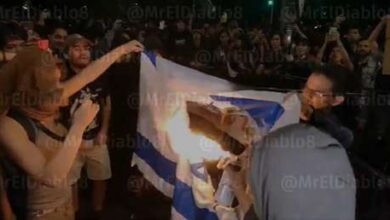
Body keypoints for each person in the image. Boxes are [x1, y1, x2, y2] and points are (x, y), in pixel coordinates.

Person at [0, 39, 143, 220]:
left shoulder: (45, 96)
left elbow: (86, 76)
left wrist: (122, 50)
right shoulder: (9, 125)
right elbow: (51, 177)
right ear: (31, 86)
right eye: (52, 84)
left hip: (65, 206)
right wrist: (79, 125)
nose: (61, 90)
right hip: (42, 214)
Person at [227, 66, 356, 220]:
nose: (306, 97)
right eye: (306, 89)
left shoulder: (328, 142)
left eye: (316, 94)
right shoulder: (293, 116)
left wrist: (238, 186)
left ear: (337, 100)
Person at [61, 34, 113, 219]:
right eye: (77, 48)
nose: (83, 52)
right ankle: (73, 212)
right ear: (66, 54)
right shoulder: (60, 75)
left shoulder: (99, 74)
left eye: (87, 48)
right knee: (70, 180)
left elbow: (106, 103)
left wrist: (104, 130)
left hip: (95, 139)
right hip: (68, 141)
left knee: (101, 177)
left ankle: (97, 211)